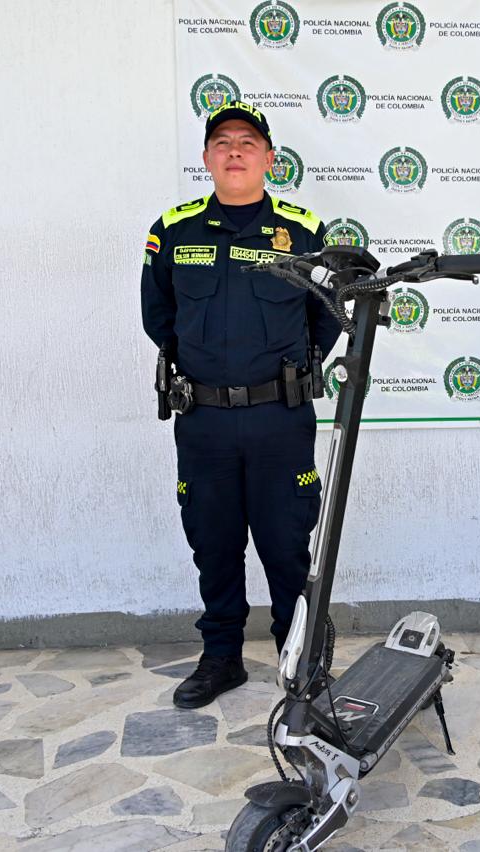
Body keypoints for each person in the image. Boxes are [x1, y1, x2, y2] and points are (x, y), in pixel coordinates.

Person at [141, 101, 342, 709]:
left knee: (285, 542)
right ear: (206, 158)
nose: (234, 150)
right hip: (202, 419)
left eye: (248, 142)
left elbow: (326, 318)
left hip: (278, 418)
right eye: (222, 141)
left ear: (269, 159)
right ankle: (221, 657)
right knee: (214, 539)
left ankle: (299, 657)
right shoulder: (173, 231)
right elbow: (159, 320)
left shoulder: (303, 231)